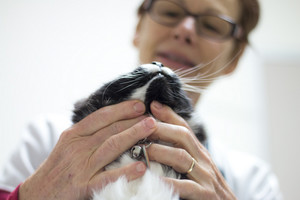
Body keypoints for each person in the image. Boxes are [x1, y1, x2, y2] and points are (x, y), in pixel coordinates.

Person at [0, 0, 282, 199]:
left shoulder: (252, 183)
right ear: (138, 27)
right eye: (170, 10)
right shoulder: (47, 139)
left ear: (235, 58)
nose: (184, 30)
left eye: (212, 25)